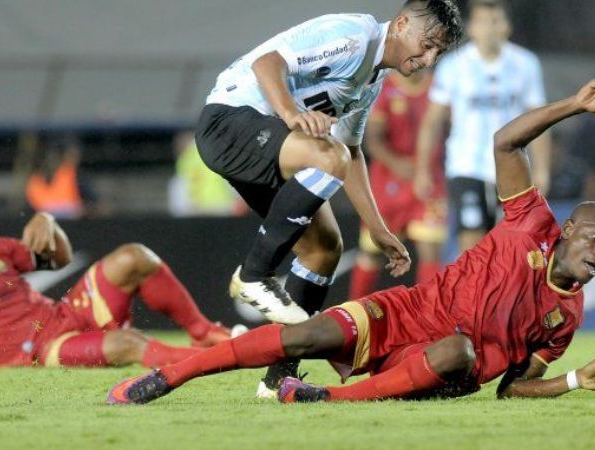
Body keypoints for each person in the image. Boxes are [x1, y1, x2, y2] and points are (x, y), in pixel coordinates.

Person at [107, 75, 595, 405]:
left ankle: (327, 398)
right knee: (304, 337)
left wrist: (574, 382)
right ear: (567, 230)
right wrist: (574, 106)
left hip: (447, 366)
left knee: (458, 349)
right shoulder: (531, 220)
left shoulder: (567, 316)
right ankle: (170, 376)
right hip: (406, 314)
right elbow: (506, 141)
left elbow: (513, 387)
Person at [195, 0, 463, 329]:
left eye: (438, 53)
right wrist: (293, 115)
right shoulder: (354, 38)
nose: (429, 60)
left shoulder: (371, 82)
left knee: (325, 251)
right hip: (229, 123)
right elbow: (267, 64)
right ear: (402, 23)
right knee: (328, 155)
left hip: (268, 148)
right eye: (428, 45)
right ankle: (255, 275)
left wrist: (377, 228)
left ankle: (280, 378)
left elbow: (351, 152)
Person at [0, 213, 233, 368]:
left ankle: (202, 330)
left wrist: (47, 221)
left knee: (134, 257)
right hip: (45, 350)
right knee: (129, 343)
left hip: (64, 314)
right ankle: (223, 358)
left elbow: (60, 260)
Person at [414, 0, 552, 254]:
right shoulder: (453, 66)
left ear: (507, 27)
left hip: (512, 166)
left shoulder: (525, 63)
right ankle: (472, 294)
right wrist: (422, 168)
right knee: (471, 240)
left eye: (495, 21)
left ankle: (504, 294)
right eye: (482, 21)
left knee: (513, 242)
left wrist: (543, 168)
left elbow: (539, 118)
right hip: (467, 165)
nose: (489, 28)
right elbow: (433, 120)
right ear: (471, 28)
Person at [349, 69, 447, 300]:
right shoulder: (383, 87)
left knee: (431, 249)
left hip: (429, 180)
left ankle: (429, 318)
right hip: (388, 183)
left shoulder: (441, 84)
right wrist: (396, 163)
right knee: (372, 252)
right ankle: (352, 312)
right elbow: (372, 139)